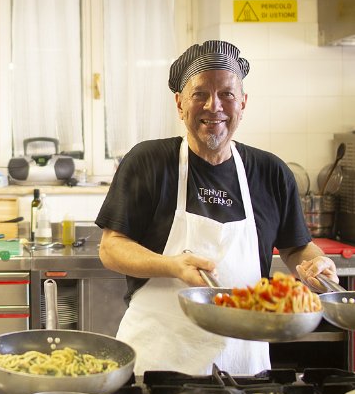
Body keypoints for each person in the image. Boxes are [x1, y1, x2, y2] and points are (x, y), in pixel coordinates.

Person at [96, 39, 339, 376]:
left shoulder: (270, 172)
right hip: (159, 362)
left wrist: (316, 265)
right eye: (200, 94)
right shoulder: (149, 162)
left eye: (227, 94)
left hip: (244, 365)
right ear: (180, 104)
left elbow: (297, 246)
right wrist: (173, 266)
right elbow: (111, 248)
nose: (214, 106)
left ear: (243, 102)